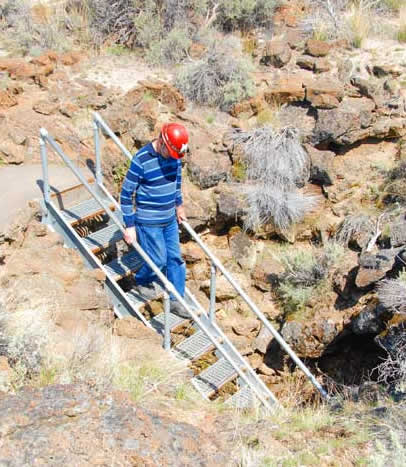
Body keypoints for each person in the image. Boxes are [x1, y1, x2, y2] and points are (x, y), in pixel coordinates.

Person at [120, 123, 190, 318]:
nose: (174, 159)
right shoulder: (141, 159)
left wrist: (179, 205)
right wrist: (130, 226)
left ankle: (177, 300)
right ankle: (141, 280)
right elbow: (126, 194)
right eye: (171, 153)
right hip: (148, 222)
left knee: (175, 259)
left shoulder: (174, 158)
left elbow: (176, 182)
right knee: (158, 259)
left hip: (169, 220)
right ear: (161, 141)